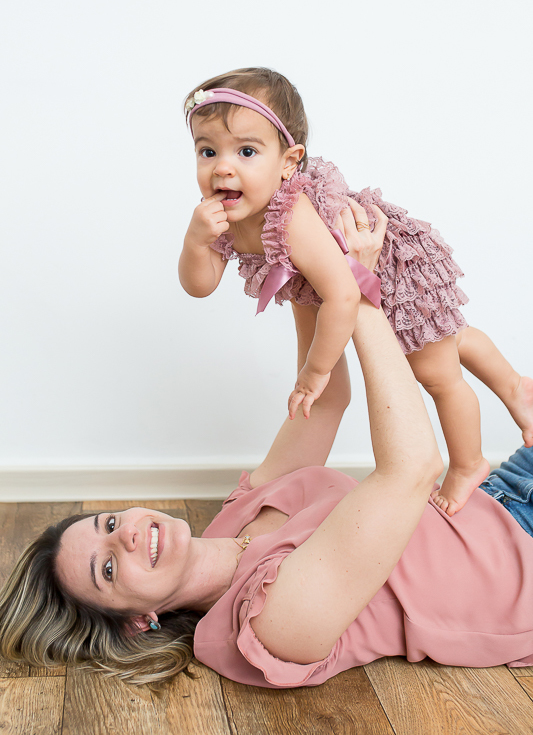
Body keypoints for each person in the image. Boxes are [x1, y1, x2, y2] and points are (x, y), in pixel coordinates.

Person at [1, 208, 533, 691]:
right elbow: (413, 469)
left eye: (111, 524)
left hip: (497, 497)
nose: (130, 536)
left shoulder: (235, 518)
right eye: (110, 570)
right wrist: (357, 286)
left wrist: (305, 269)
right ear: (138, 621)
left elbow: (324, 404)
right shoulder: (271, 626)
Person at [178, 66, 533, 516]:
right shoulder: (222, 214)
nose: (223, 167)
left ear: (289, 162)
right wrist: (196, 241)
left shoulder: (292, 217)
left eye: (246, 151)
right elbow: (200, 285)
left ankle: (468, 462)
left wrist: (314, 372)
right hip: (319, 288)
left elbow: (345, 295)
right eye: (207, 151)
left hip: (390, 268)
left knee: (435, 370)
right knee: (449, 336)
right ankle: (515, 387)